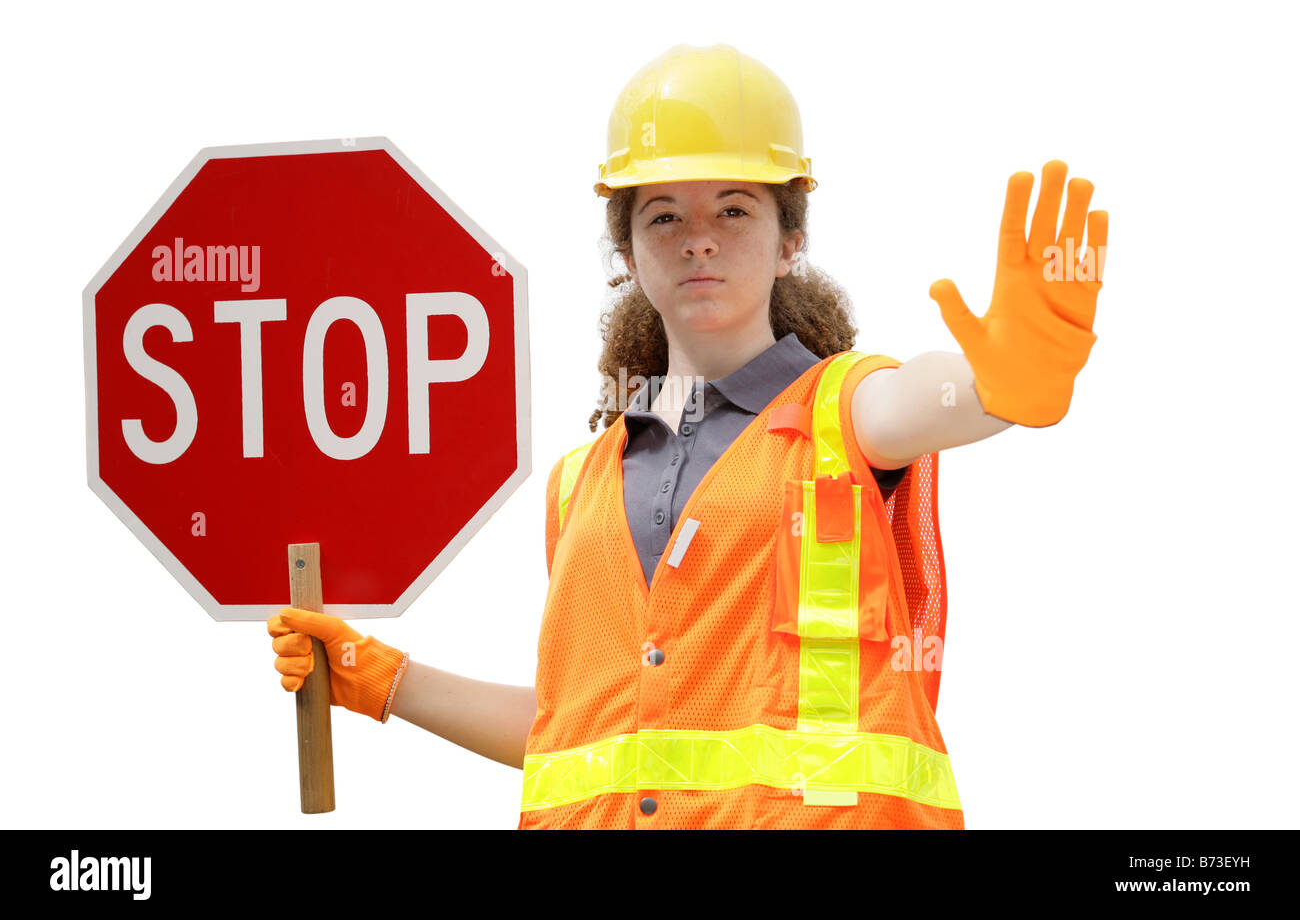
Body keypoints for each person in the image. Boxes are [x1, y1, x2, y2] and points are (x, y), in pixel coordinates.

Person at [268, 43, 1107, 829]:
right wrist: (389, 682)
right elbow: (578, 729)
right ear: (628, 254)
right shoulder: (578, 486)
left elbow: (931, 399)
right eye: (663, 215)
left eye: (734, 208)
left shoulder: (842, 412)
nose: (698, 236)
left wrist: (1003, 382)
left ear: (791, 241)